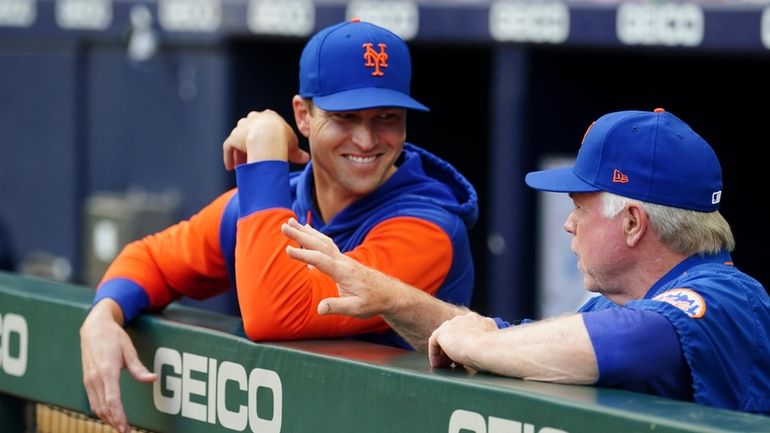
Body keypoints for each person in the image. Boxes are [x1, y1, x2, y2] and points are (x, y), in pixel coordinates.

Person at [79, 19, 478, 433]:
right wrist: (104, 315)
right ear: (303, 117)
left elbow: (275, 316)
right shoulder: (272, 202)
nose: (366, 139)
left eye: (386, 117)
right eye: (345, 117)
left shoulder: (428, 225)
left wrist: (265, 146)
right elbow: (151, 259)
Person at [282, 108, 770, 414]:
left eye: (579, 208)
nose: (568, 225)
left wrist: (477, 346)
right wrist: (390, 297)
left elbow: (629, 343)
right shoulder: (618, 305)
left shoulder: (726, 294)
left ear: (633, 223)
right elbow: (511, 340)